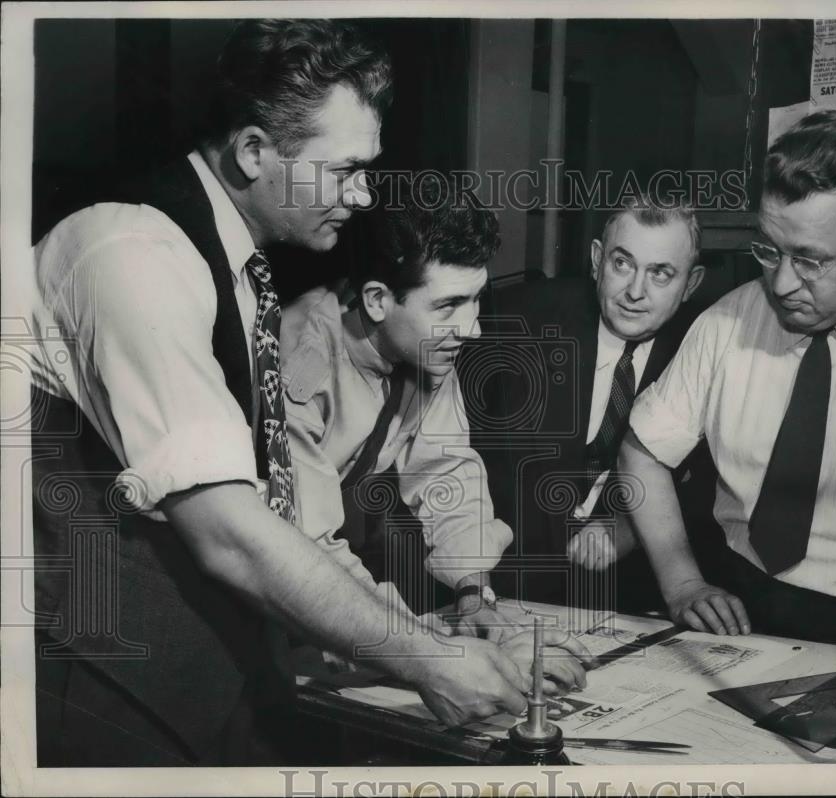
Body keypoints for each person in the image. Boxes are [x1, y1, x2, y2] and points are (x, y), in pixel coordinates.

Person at [28, 20, 588, 766]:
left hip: (200, 659)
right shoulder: (131, 253)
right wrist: (426, 659)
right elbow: (229, 529)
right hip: (95, 667)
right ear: (254, 151)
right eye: (342, 170)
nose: (361, 195)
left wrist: (464, 606)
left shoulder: (231, 265)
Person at [620, 110, 836, 650]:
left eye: (810, 260)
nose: (780, 283)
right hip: (746, 599)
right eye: (769, 250)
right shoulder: (726, 322)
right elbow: (642, 452)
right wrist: (682, 581)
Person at [281, 179, 531, 640]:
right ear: (377, 300)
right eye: (449, 304)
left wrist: (474, 593)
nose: (471, 329)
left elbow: (446, 473)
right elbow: (303, 538)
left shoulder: (425, 344)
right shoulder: (301, 358)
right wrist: (410, 641)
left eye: (476, 298)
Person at [467, 196, 704, 610]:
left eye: (661, 274)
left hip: (630, 594)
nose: (635, 292)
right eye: (622, 264)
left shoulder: (703, 348)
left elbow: (711, 479)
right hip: (504, 578)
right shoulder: (513, 324)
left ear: (692, 284)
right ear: (597, 260)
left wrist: (629, 525)